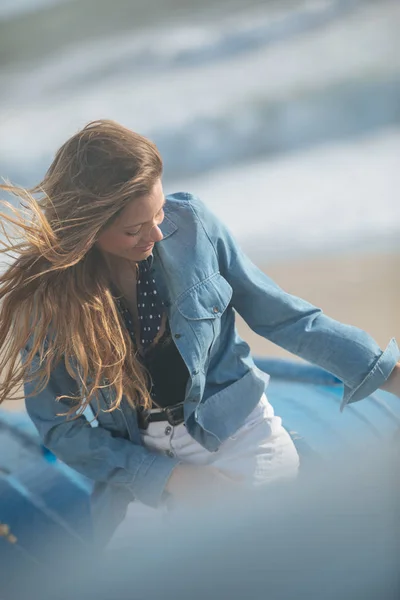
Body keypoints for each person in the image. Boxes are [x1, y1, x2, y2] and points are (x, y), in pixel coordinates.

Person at [0, 119, 399, 546]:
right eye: (134, 229)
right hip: (141, 461)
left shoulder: (192, 225)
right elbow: (61, 428)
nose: (156, 232)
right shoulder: (50, 298)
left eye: (157, 213)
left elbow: (283, 317)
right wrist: (167, 477)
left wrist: (385, 373)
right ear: (88, 228)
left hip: (237, 432)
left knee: (262, 550)